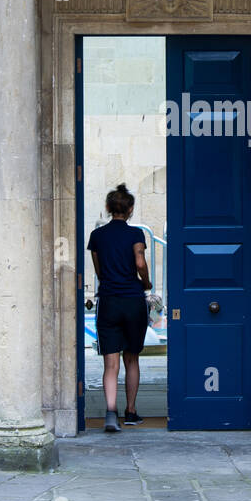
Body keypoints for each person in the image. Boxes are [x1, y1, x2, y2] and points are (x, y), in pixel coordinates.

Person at [87, 183, 152, 432]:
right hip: (133, 300)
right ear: (131, 209)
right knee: (132, 359)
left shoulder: (97, 237)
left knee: (110, 363)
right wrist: (145, 283)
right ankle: (131, 411)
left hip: (109, 300)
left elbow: (99, 270)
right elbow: (140, 262)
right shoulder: (136, 234)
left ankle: (111, 413)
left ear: (107, 208)